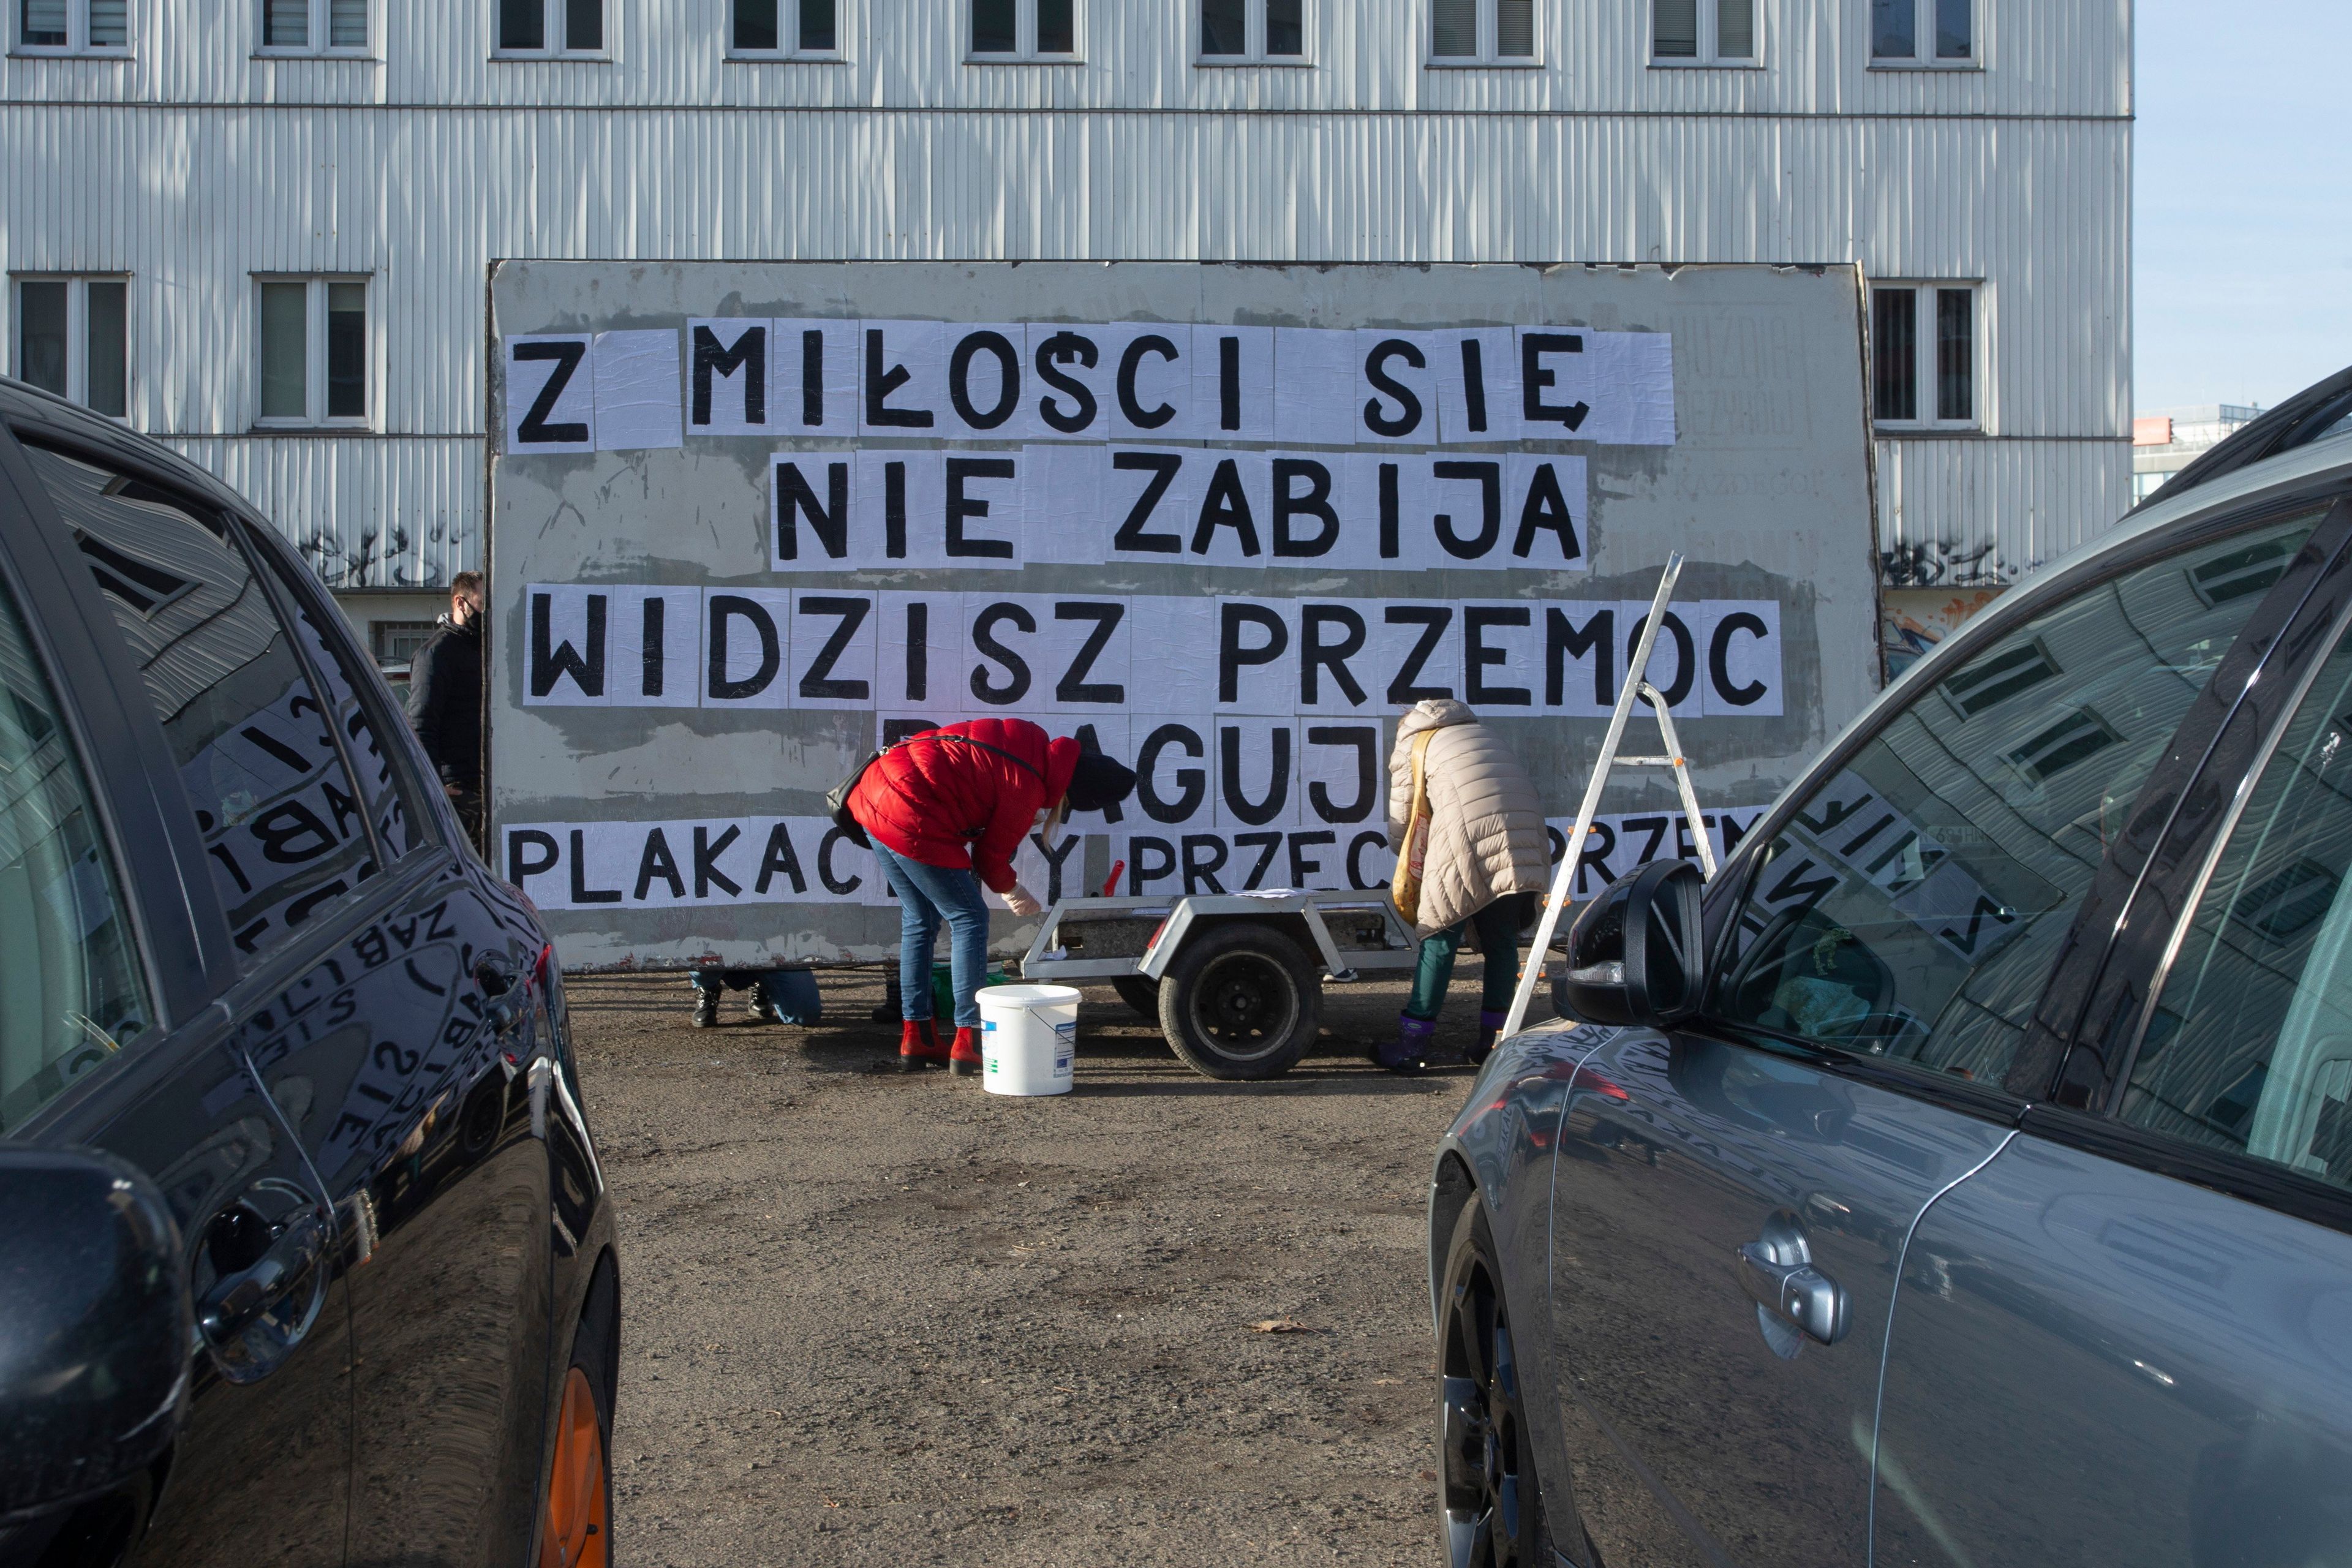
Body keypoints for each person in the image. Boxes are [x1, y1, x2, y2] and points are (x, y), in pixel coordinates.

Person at [848, 720, 1136, 1075]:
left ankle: (918, 1035)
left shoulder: (1028, 740)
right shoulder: (1028, 786)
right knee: (969, 918)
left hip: (873, 795)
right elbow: (989, 859)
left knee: (919, 920)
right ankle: (971, 1040)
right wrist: (1015, 892)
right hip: (912, 811)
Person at [1382, 698, 1550, 1073]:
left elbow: (1404, 817)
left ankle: (1412, 1046)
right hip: (1522, 837)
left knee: (1440, 934)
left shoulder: (1417, 742)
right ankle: (1494, 1046)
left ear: (1409, 722)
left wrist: (1405, 860)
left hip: (1469, 836)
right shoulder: (1484, 733)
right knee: (1501, 940)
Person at [407, 571, 484, 845]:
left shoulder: (490, 650)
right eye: (483, 602)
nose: (489, 612)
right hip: (459, 790)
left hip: (488, 785)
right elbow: (421, 724)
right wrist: (433, 786)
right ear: (461, 603)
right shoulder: (436, 654)